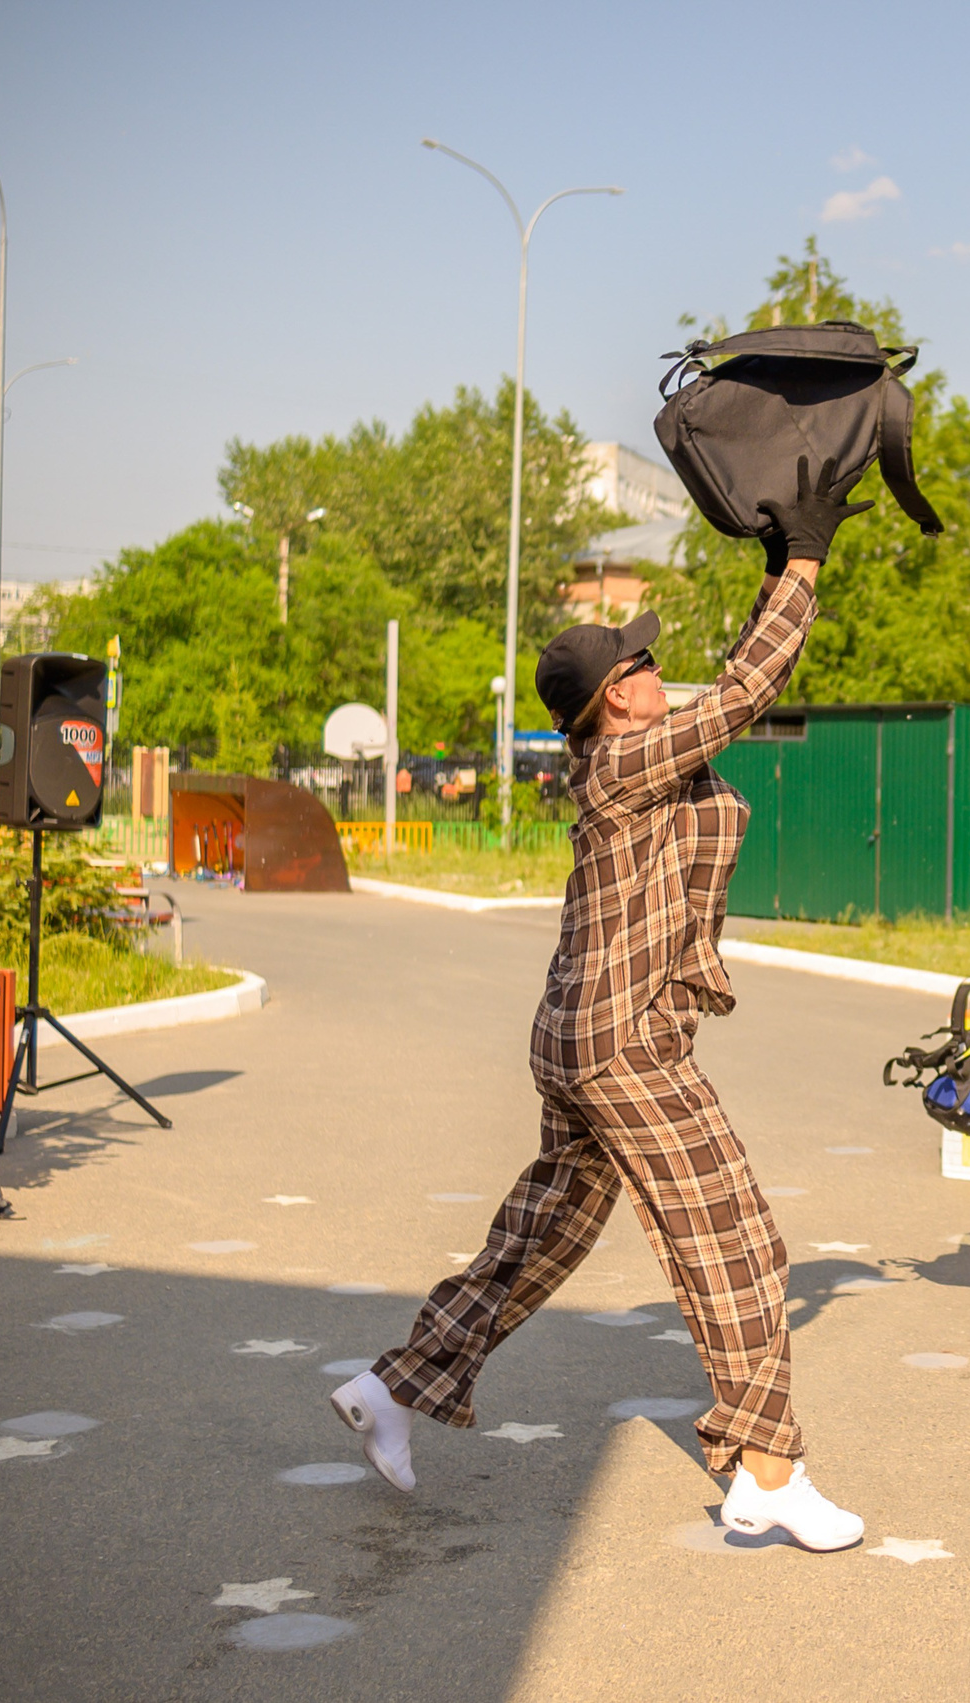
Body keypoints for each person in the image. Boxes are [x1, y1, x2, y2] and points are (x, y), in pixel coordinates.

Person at [328, 457, 873, 1552]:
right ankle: (769, 1467)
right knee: (734, 1237)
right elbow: (748, 691)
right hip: (623, 1042)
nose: (664, 666)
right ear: (616, 692)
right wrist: (808, 563)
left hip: (582, 1031)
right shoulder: (628, 757)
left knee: (547, 1232)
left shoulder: (631, 759)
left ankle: (395, 1386)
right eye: (647, 659)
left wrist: (777, 565)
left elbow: (729, 681)